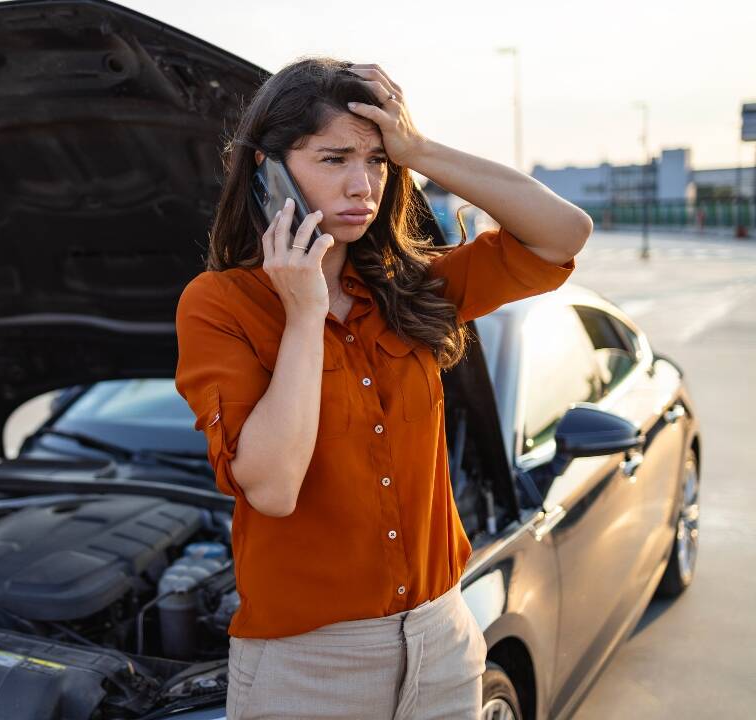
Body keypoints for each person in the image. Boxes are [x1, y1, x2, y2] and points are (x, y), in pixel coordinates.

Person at [174, 58, 591, 720]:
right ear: (268, 169)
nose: (362, 183)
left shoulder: (413, 285)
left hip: (444, 642)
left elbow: (564, 234)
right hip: (308, 668)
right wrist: (305, 313)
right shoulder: (220, 304)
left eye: (376, 161)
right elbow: (274, 488)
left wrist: (419, 149)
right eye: (334, 159)